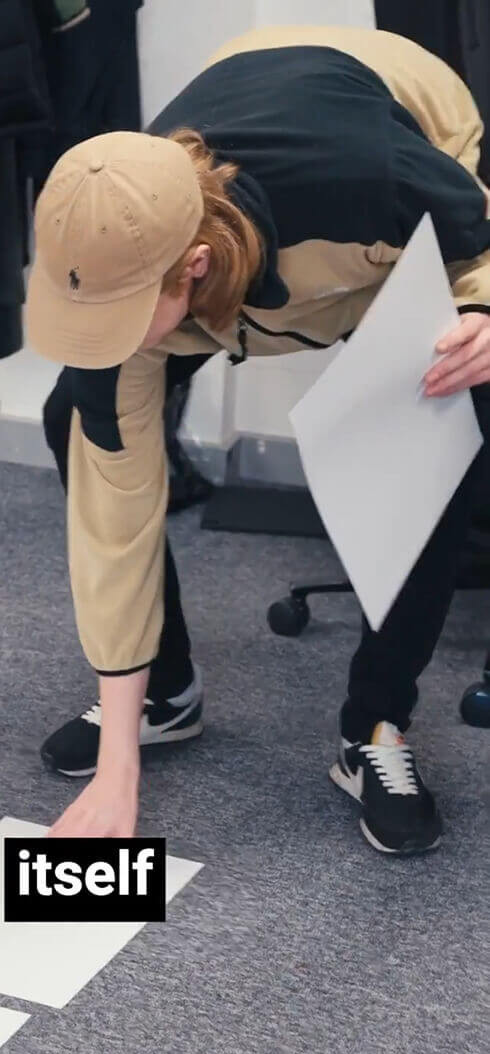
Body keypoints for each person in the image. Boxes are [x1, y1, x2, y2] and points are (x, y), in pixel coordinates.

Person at [26, 24, 490, 856]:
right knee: (76, 415)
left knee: (447, 407)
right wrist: (116, 771)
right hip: (247, 88)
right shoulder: (109, 240)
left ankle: (376, 729)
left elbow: (479, 233)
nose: (107, 337)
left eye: (124, 318)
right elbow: (114, 523)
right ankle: (165, 695)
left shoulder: (368, 180)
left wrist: (484, 309)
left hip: (401, 127)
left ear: (195, 267)